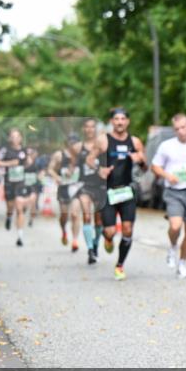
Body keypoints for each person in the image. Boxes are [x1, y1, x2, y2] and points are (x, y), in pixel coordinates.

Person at [87, 108, 146, 280]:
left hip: (127, 191)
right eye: (116, 119)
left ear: (128, 121)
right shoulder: (103, 140)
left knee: (127, 229)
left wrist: (140, 160)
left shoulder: (135, 142)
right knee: (111, 231)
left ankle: (120, 265)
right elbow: (89, 159)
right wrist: (100, 170)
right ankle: (107, 238)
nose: (120, 122)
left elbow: (145, 167)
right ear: (112, 121)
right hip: (107, 192)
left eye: (123, 119)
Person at [152, 113, 186, 279]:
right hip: (173, 192)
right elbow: (155, 166)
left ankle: (182, 263)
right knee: (175, 226)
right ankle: (173, 245)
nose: (180, 131)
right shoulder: (166, 146)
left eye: (183, 127)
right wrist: (168, 176)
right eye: (177, 129)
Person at [48, 134, 84, 251]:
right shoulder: (59, 155)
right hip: (63, 188)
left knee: (75, 214)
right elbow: (50, 169)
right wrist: (56, 177)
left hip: (77, 188)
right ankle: (64, 231)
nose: (73, 146)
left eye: (75, 143)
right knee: (64, 216)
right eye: (71, 143)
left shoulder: (82, 155)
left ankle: (75, 240)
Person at [0, 129, 29, 246]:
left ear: (21, 138)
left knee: (19, 208)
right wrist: (10, 163)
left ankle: (20, 236)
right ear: (9, 138)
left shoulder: (24, 150)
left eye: (17, 136)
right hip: (9, 182)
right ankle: (9, 217)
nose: (15, 138)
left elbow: (28, 164)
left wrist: (29, 162)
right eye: (12, 136)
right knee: (10, 207)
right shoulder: (5, 151)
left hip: (21, 182)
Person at [77, 118, 106, 264]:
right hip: (85, 186)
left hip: (100, 186)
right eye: (87, 127)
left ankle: (95, 245)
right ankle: (89, 250)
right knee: (87, 217)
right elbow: (69, 163)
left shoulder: (102, 145)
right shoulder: (78, 147)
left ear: (96, 129)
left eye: (92, 127)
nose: (89, 129)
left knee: (99, 220)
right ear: (83, 129)